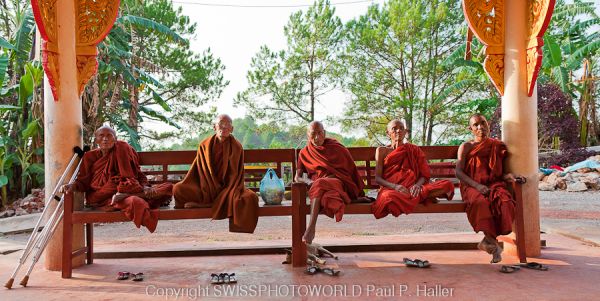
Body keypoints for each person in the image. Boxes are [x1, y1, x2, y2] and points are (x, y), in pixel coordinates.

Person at [62, 126, 173, 233]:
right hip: (103, 198)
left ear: (115, 139)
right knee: (135, 201)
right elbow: (83, 181)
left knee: (169, 186)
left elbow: (138, 174)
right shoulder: (89, 157)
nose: (105, 139)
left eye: (109, 136)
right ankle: (137, 197)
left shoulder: (122, 150)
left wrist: (146, 187)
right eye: (101, 136)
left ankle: (131, 196)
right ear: (96, 140)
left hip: (124, 194)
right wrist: (71, 186)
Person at [455, 113, 526, 263]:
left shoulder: (497, 145)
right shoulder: (466, 146)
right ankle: (491, 245)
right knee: (481, 203)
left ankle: (488, 241)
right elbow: (458, 172)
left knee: (505, 202)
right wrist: (477, 186)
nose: (480, 127)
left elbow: (501, 173)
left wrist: (511, 177)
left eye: (483, 123)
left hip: (494, 184)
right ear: (470, 129)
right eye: (476, 125)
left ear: (488, 125)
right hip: (472, 185)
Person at [173, 114, 259, 233]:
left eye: (227, 125)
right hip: (205, 187)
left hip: (227, 188)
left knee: (249, 197)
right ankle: (209, 202)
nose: (223, 128)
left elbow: (236, 175)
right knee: (178, 188)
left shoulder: (237, 147)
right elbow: (197, 170)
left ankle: (207, 204)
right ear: (214, 127)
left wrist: (228, 189)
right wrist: (206, 185)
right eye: (221, 124)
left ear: (232, 129)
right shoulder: (204, 145)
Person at [294, 121, 367, 244]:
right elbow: (297, 178)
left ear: (325, 133)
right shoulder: (304, 153)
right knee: (328, 197)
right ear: (308, 135)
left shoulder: (336, 147)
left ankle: (311, 228)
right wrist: (308, 180)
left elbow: (350, 171)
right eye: (313, 134)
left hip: (338, 182)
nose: (317, 137)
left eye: (320, 133)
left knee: (320, 183)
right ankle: (345, 199)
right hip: (319, 188)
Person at [371, 119, 455, 219]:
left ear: (405, 132)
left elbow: (424, 175)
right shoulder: (382, 150)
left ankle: (419, 195)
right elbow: (378, 178)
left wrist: (417, 185)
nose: (398, 131)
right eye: (394, 129)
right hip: (392, 189)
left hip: (413, 189)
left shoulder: (413, 149)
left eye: (401, 128)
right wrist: (395, 187)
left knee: (447, 185)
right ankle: (424, 196)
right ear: (388, 133)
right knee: (387, 198)